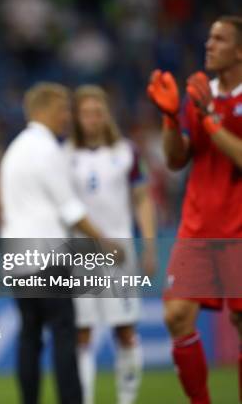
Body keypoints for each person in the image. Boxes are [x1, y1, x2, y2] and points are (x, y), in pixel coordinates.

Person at [147, 15, 242, 403]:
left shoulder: (211, 103)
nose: (209, 44)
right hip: (198, 225)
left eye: (219, 39)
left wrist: (209, 118)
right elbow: (175, 160)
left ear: (239, 51)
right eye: (208, 37)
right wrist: (172, 118)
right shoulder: (200, 93)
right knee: (176, 315)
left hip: (239, 227)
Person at [0, 82, 113, 404]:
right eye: (64, 109)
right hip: (47, 254)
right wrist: (105, 241)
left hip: (15, 254)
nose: (68, 116)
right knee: (64, 334)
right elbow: (70, 208)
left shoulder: (15, 149)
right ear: (46, 109)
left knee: (30, 336)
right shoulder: (47, 149)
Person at [66, 85, 157, 404]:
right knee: (82, 334)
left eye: (98, 112)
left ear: (107, 116)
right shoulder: (65, 155)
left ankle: (127, 400)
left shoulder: (126, 152)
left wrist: (148, 246)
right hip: (79, 255)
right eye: (86, 113)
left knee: (125, 331)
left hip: (120, 252)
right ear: (77, 117)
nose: (92, 119)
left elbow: (142, 199)